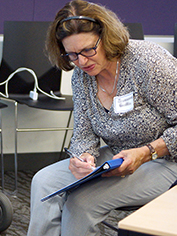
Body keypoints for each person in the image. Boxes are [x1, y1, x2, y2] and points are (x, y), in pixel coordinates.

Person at [28, 1, 177, 235]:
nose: (82, 62)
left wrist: (146, 152)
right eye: (72, 54)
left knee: (82, 203)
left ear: (106, 37)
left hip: (166, 160)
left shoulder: (147, 61)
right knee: (43, 181)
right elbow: (84, 131)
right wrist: (83, 157)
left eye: (88, 50)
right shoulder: (82, 76)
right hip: (119, 158)